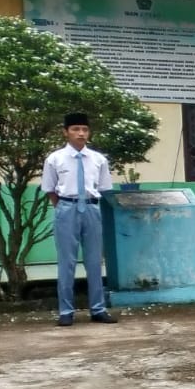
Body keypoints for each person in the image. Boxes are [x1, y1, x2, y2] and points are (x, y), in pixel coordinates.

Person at [41, 112, 116, 327]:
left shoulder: (98, 159)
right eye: (75, 129)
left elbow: (103, 187)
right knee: (67, 262)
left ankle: (98, 309)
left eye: (84, 129)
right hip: (66, 208)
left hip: (92, 209)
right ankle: (66, 311)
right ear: (66, 132)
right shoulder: (55, 159)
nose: (80, 133)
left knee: (94, 261)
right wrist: (65, 207)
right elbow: (49, 189)